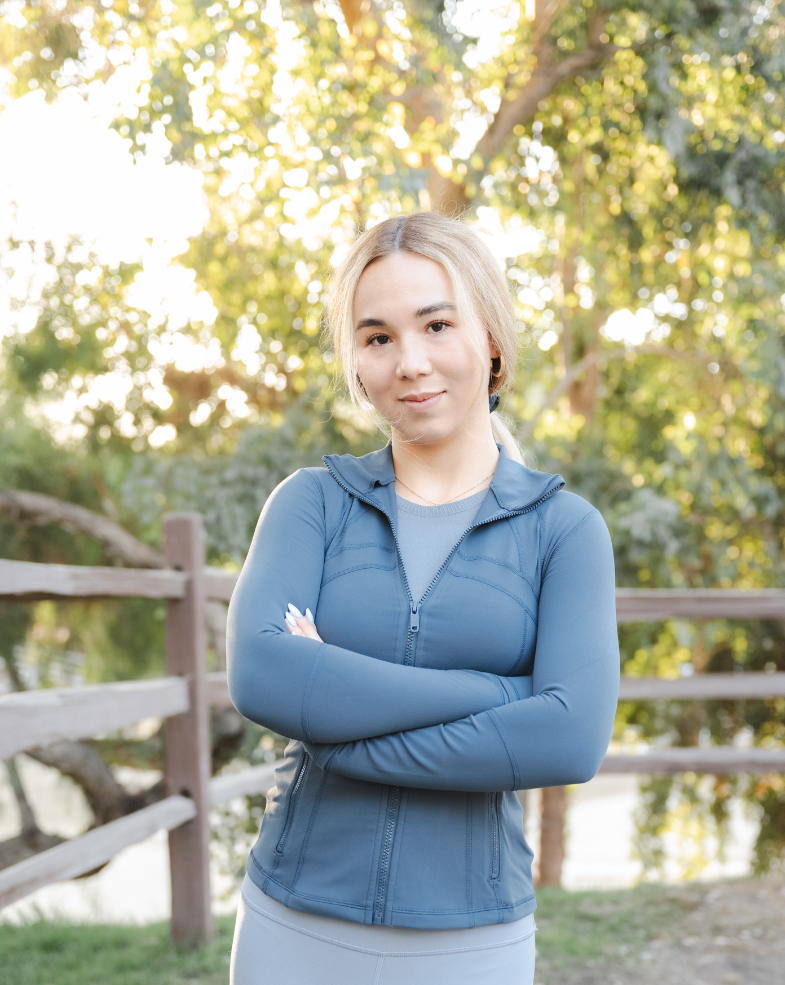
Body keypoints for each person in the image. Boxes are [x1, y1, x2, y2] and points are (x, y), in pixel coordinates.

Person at [226, 211, 620, 984]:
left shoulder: (564, 529)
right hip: (292, 923)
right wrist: (495, 693)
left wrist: (333, 720)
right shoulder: (310, 503)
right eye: (377, 337)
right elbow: (262, 678)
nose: (410, 361)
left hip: (471, 939)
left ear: (492, 339)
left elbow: (569, 740)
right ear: (358, 360)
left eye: (436, 324)